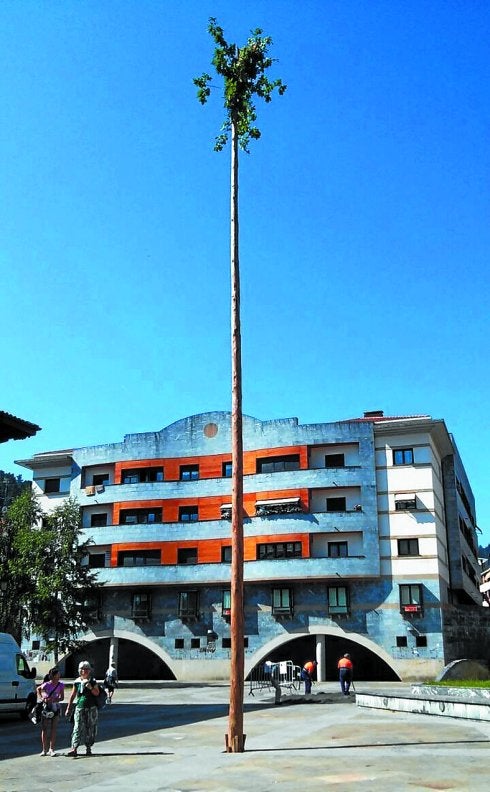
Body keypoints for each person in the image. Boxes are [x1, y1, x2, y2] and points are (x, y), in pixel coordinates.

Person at [65, 661, 100, 757]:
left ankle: (88, 748)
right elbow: (73, 695)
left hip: (91, 708)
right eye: (82, 669)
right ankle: (74, 748)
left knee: (90, 728)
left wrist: (90, 687)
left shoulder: (92, 681)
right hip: (79, 707)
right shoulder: (77, 682)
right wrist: (68, 708)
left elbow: (97, 693)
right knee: (77, 728)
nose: (84, 671)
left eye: (87, 669)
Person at [36, 667, 65, 757]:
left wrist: (55, 699)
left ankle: (51, 749)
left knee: (53, 728)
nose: (59, 676)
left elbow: (62, 698)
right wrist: (42, 698)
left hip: (55, 707)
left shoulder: (60, 685)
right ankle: (44, 749)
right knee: (44, 728)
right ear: (52, 676)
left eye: (59, 675)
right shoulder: (46, 684)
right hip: (46, 708)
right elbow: (38, 689)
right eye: (57, 674)